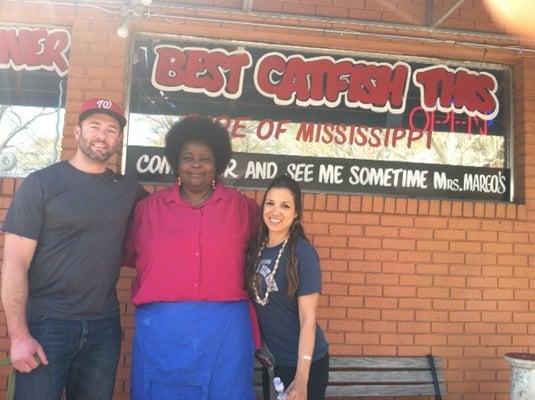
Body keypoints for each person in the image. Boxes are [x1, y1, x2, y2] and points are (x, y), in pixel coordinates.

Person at [0, 97, 146, 399]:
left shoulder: (129, 191)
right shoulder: (41, 184)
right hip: (46, 324)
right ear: (77, 132)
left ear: (118, 139)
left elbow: (169, 220)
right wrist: (19, 336)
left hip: (103, 326)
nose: (102, 135)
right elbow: (14, 263)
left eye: (111, 130)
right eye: (94, 126)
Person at [124, 115, 260, 400]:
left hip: (224, 331)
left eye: (205, 158)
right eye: (188, 157)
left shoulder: (242, 208)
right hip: (162, 332)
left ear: (217, 164)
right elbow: (125, 254)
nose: (196, 164)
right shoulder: (147, 210)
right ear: (176, 162)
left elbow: (270, 249)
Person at [246, 174, 329, 400]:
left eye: (285, 205)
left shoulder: (303, 253)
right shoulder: (255, 250)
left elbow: (308, 319)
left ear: (296, 214)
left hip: (305, 363)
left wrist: (302, 379)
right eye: (270, 203)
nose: (275, 211)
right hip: (272, 361)